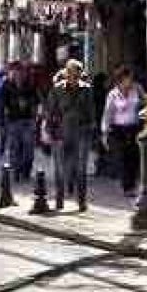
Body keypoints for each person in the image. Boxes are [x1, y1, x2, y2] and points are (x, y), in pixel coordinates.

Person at [44, 59, 94, 211]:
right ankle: (60, 199)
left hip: (80, 133)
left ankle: (81, 200)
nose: (73, 77)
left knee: (80, 168)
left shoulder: (86, 90)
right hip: (60, 133)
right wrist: (50, 131)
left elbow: (91, 113)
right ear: (66, 73)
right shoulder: (57, 89)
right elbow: (50, 111)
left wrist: (90, 130)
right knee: (60, 168)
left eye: (76, 74)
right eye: (70, 73)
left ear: (80, 74)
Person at [100, 67, 144, 197]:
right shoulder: (113, 94)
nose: (129, 81)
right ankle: (127, 186)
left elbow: (145, 103)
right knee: (122, 157)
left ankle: (132, 184)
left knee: (133, 157)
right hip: (118, 129)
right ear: (120, 80)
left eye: (131, 78)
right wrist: (105, 131)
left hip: (134, 127)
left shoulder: (137, 89)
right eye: (127, 79)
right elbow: (108, 113)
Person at [1, 64, 40, 181]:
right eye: (16, 72)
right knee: (15, 147)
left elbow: (36, 102)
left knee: (28, 148)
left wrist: (35, 115)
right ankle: (16, 171)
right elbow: (3, 104)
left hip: (28, 121)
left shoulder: (31, 85)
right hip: (13, 120)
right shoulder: (7, 86)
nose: (19, 75)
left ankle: (26, 170)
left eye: (21, 72)